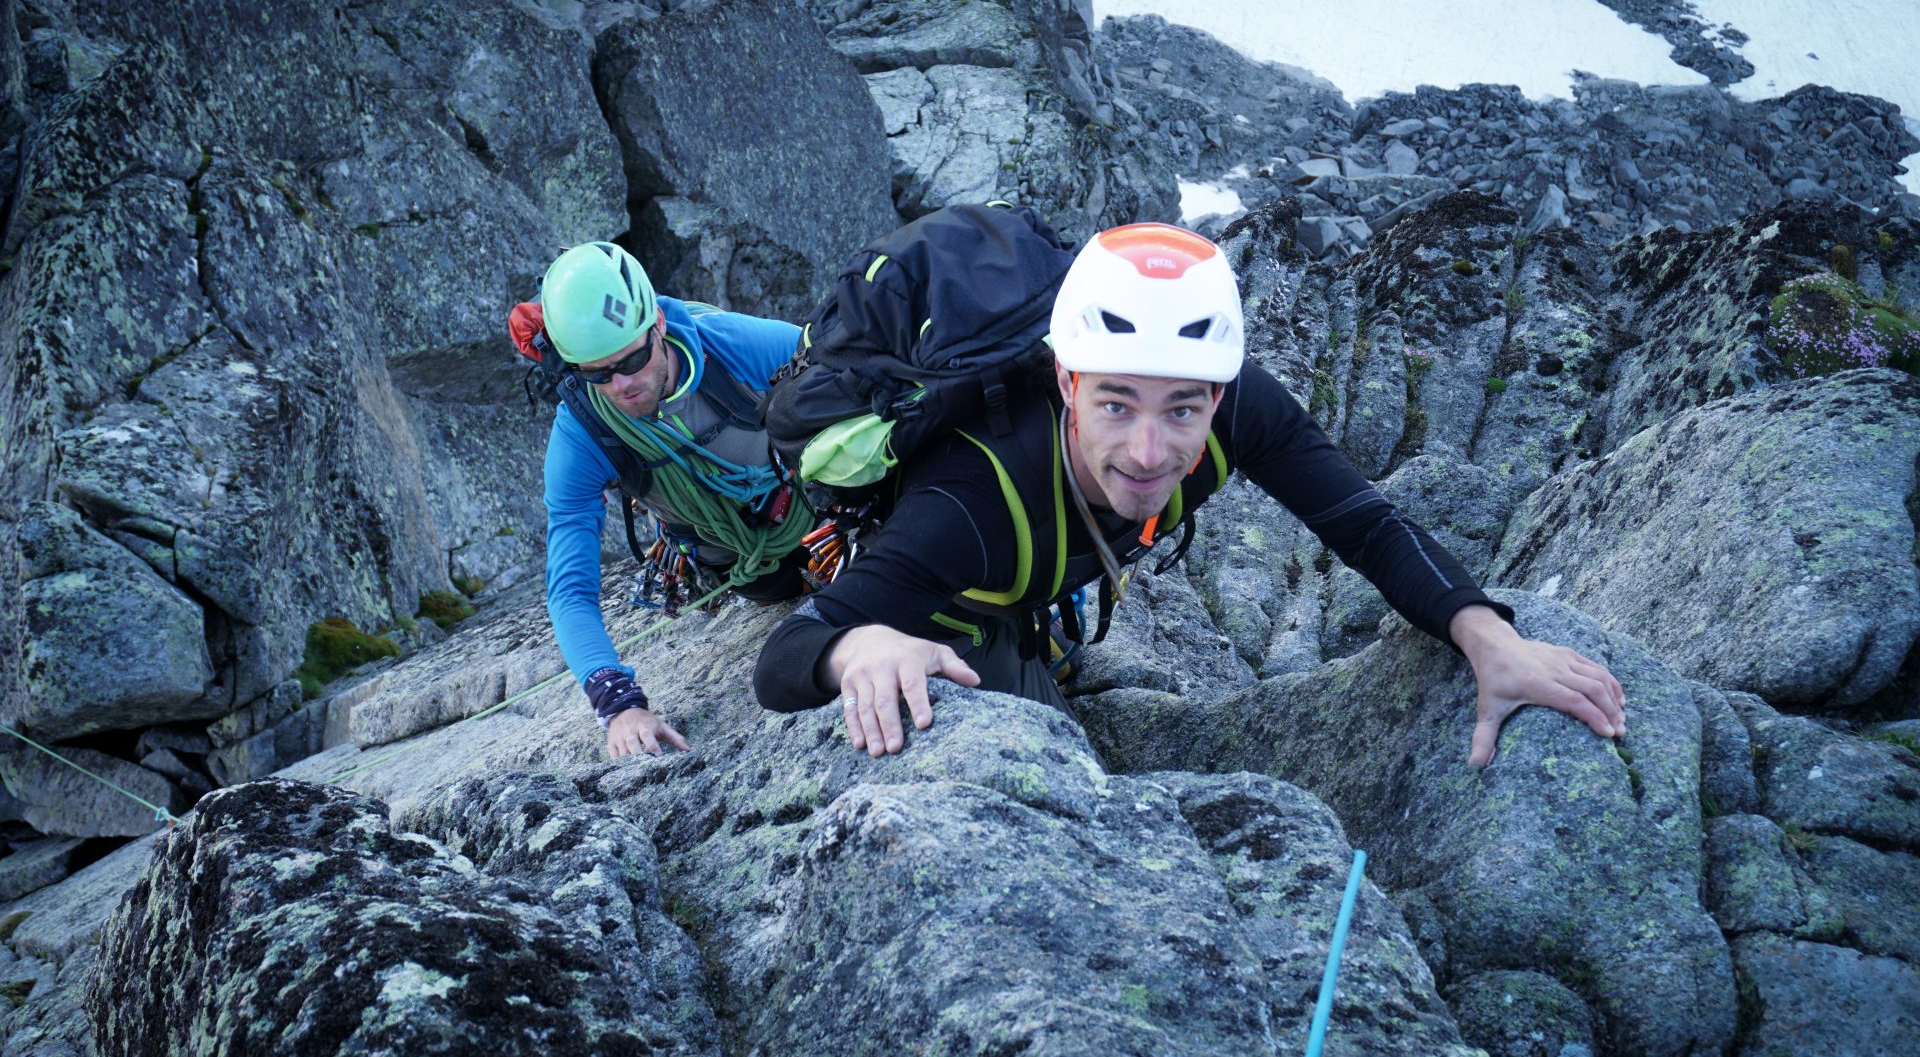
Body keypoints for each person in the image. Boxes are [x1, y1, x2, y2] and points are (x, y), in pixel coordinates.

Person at [753, 222, 1625, 767]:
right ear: (1066, 380)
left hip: (1039, 573)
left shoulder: (1238, 401)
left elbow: (1363, 523)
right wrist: (860, 647)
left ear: (1217, 393)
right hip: (949, 620)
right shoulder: (968, 506)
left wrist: (1485, 634)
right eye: (1116, 403)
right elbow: (788, 657)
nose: (1148, 450)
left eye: (1183, 410)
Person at [537, 241, 806, 760]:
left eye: (634, 358)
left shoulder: (733, 347)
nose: (623, 383)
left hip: (819, 508)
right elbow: (570, 588)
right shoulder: (583, 434)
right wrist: (618, 703)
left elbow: (852, 371)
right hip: (732, 558)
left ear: (657, 324)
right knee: (773, 588)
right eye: (596, 373)